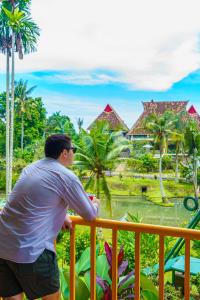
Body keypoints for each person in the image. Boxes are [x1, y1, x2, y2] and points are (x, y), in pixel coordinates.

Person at [0, 134, 100, 300]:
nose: (74, 153)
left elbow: (34, 204)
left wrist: (62, 215)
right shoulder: (66, 176)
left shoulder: (31, 168)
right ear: (64, 153)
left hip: (3, 245)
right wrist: (96, 203)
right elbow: (89, 215)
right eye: (73, 149)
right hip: (32, 250)